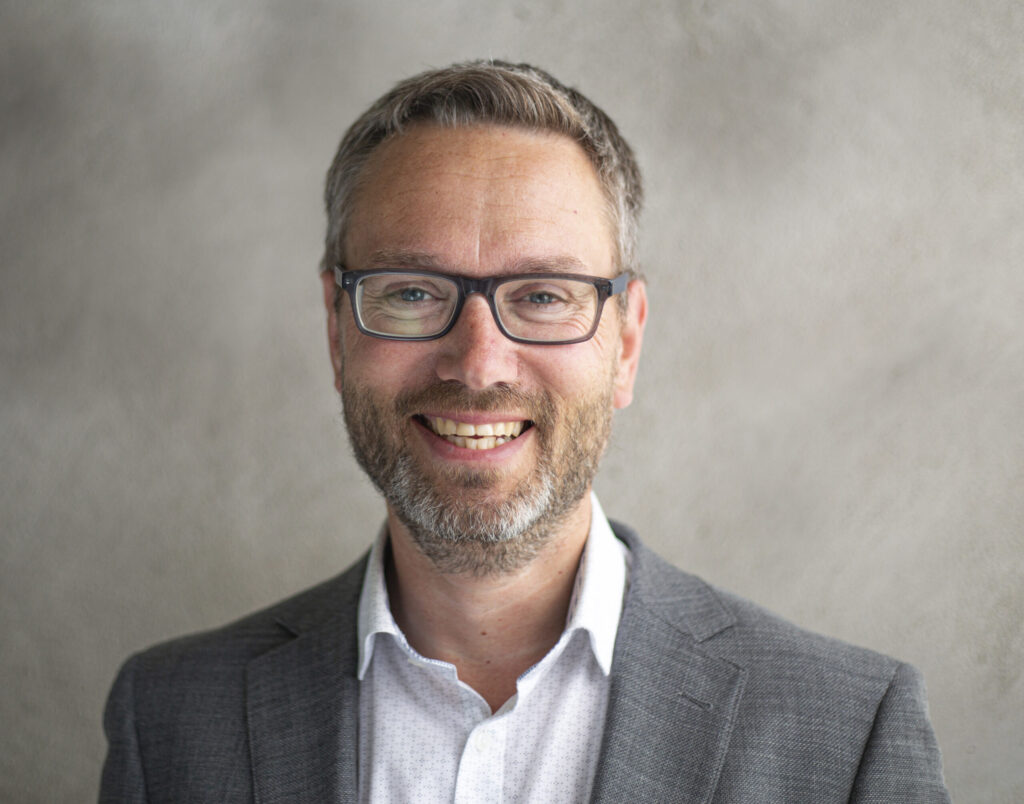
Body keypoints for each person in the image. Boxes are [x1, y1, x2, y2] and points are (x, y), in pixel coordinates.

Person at [99, 60, 950, 803]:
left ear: (625, 342)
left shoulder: (846, 738)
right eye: (412, 292)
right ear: (336, 326)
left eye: (543, 296)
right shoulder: (171, 721)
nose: (479, 365)